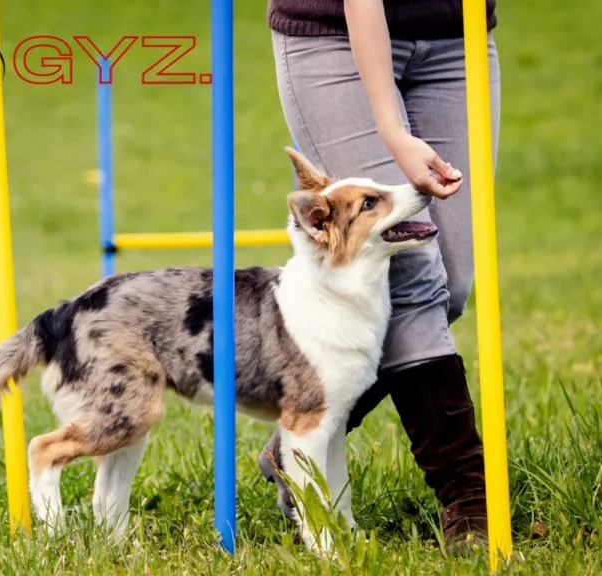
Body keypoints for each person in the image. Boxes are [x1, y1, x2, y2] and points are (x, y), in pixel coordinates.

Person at [257, 0, 501, 554]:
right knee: (414, 279)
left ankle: (297, 436)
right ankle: (470, 502)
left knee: (451, 284)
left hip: (455, 38)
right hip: (334, 38)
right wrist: (391, 130)